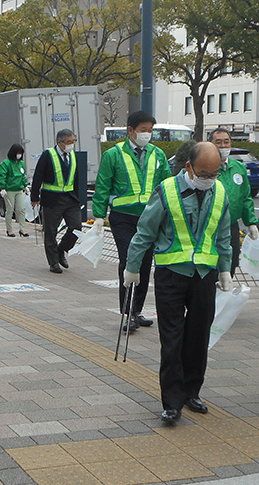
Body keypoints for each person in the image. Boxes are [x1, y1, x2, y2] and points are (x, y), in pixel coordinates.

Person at [124, 142, 232, 425]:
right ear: (188, 167)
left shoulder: (219, 191)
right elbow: (145, 231)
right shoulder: (167, 191)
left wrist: (225, 270)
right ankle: (172, 402)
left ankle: (191, 391)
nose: (209, 179)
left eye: (214, 173)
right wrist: (132, 267)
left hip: (204, 276)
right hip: (171, 275)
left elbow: (222, 234)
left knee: (199, 336)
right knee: (171, 339)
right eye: (203, 173)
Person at [93, 111, 169, 333]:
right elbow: (102, 186)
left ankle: (137, 310)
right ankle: (128, 313)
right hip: (123, 219)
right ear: (130, 130)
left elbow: (167, 187)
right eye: (143, 130)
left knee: (145, 264)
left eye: (150, 130)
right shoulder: (113, 155)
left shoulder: (158, 155)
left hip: (149, 219)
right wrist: (99, 216)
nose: (147, 134)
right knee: (128, 261)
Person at [30, 129, 82, 274]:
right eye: (69, 142)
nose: (71, 145)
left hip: (70, 198)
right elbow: (38, 175)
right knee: (50, 231)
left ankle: (62, 250)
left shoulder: (72, 155)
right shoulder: (48, 155)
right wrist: (34, 197)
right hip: (52, 199)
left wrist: (78, 198)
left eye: (73, 141)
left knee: (76, 227)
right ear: (59, 142)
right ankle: (53, 262)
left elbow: (76, 177)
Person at [210, 128, 259, 277]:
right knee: (211, 268)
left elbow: (245, 197)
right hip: (209, 227)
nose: (223, 146)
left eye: (226, 142)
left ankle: (225, 295)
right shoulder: (205, 167)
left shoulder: (238, 168)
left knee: (231, 264)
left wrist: (251, 223)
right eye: (218, 142)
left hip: (231, 225)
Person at [0, 144, 30, 238]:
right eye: (18, 153)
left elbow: (23, 176)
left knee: (22, 209)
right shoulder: (5, 163)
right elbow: (3, 176)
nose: (19, 155)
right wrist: (3, 188)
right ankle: (9, 230)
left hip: (19, 189)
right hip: (9, 190)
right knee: (10, 210)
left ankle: (22, 229)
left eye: (21, 153)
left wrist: (25, 186)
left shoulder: (21, 163)